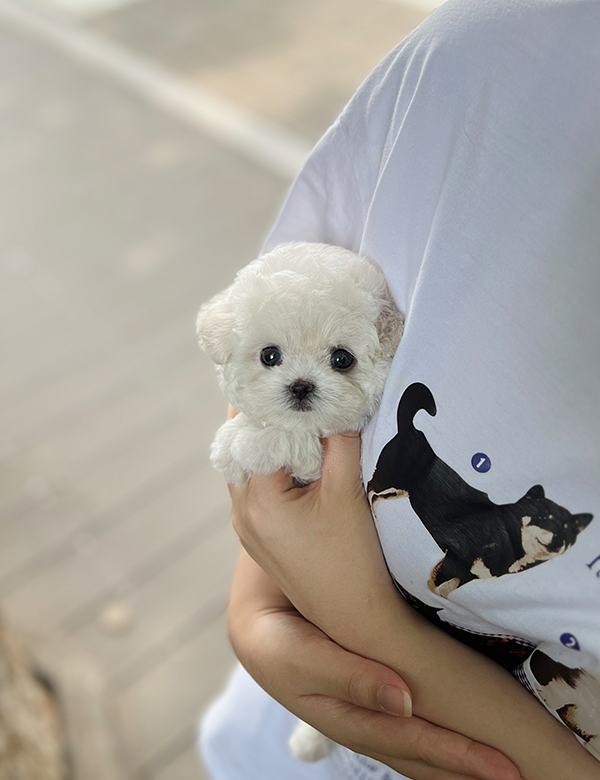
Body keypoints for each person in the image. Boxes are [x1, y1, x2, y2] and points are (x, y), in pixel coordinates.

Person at [199, 0, 600, 777]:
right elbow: (279, 310)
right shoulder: (486, 56)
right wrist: (261, 592)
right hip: (270, 736)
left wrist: (374, 634)